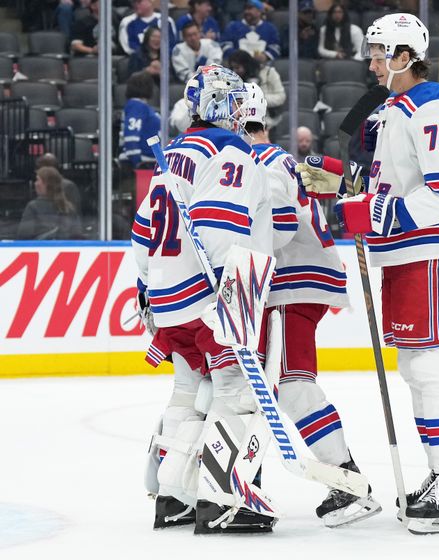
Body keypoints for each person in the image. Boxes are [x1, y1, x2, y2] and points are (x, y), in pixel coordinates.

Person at [300, 13, 439, 535]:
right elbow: (391, 185)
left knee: (432, 364)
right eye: (373, 54)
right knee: (416, 366)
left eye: (383, 54)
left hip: (431, 247)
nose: (374, 63)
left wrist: (376, 214)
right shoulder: (396, 107)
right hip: (408, 251)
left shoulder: (434, 103)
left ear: (408, 56)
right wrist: (344, 191)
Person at [134, 64, 275, 533]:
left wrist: (146, 290)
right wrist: (228, 298)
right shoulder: (229, 148)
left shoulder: (174, 153)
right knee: (235, 396)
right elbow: (217, 225)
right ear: (216, 104)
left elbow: (140, 234)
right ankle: (222, 499)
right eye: (232, 100)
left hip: (168, 295)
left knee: (188, 392)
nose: (239, 110)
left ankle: (172, 498)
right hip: (212, 293)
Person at [238, 83, 381, 527]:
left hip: (289, 283)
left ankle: (348, 482)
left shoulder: (263, 162)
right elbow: (331, 183)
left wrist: (241, 254)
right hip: (289, 282)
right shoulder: (277, 159)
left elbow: (279, 225)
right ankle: (246, 483)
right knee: (263, 385)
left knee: (292, 385)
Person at [17, 166, 82, 240]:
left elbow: (23, 237)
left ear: (46, 184)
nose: (35, 183)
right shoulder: (69, 208)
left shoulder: (33, 207)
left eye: (37, 180)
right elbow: (77, 236)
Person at [119, 71, 160, 168]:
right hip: (143, 163)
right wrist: (137, 163)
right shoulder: (136, 106)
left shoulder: (141, 106)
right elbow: (131, 135)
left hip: (149, 161)